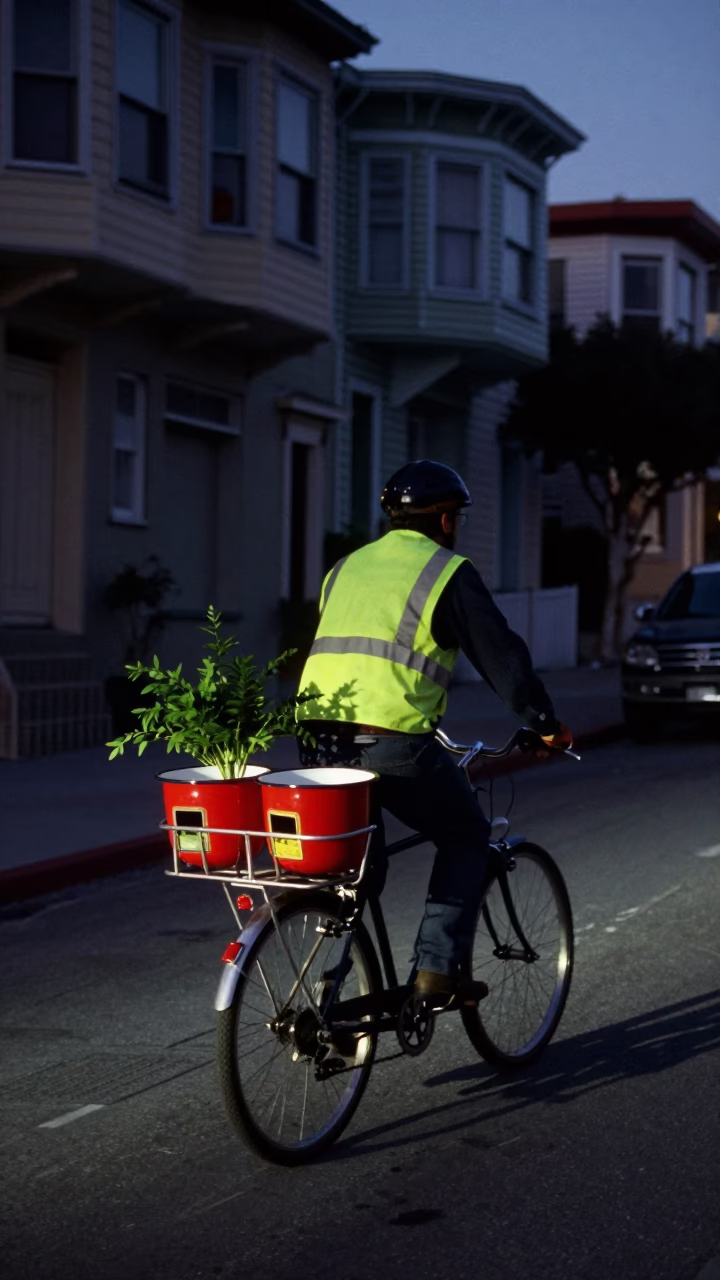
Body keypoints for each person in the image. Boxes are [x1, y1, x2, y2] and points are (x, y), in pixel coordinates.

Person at [296, 459, 572, 1007]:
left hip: (317, 740)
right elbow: (501, 658)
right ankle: (437, 973)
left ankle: (334, 992)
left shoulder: (343, 568)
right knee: (467, 834)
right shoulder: (446, 571)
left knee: (357, 870)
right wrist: (543, 724)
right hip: (392, 742)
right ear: (446, 521)